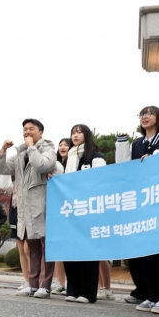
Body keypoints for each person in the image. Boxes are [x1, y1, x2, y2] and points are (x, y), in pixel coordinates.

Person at [115, 106, 159, 314]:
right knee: (146, 252)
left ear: (158, 118)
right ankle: (152, 295)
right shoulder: (137, 144)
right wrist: (122, 143)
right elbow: (124, 169)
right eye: (142, 114)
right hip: (141, 204)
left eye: (149, 113)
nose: (145, 117)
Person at [0, 119, 60, 296]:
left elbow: (42, 165)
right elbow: (2, 169)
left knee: (46, 248)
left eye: (31, 129)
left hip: (43, 206)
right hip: (25, 209)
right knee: (32, 248)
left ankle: (45, 286)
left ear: (41, 132)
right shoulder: (19, 153)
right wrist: (3, 150)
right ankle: (32, 284)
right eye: (25, 130)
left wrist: (32, 148)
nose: (27, 132)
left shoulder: (48, 149)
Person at [63, 124, 106, 304]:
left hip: (89, 211)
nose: (75, 135)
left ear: (87, 136)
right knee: (70, 251)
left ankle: (88, 292)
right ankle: (72, 289)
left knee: (87, 252)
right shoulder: (68, 158)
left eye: (79, 132)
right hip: (70, 212)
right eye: (73, 132)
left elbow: (100, 181)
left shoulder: (96, 158)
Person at [52, 139, 71, 295]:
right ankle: (61, 283)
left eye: (66, 144)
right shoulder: (55, 165)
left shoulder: (74, 163)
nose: (62, 147)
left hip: (72, 209)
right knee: (59, 250)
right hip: (58, 209)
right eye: (61, 145)